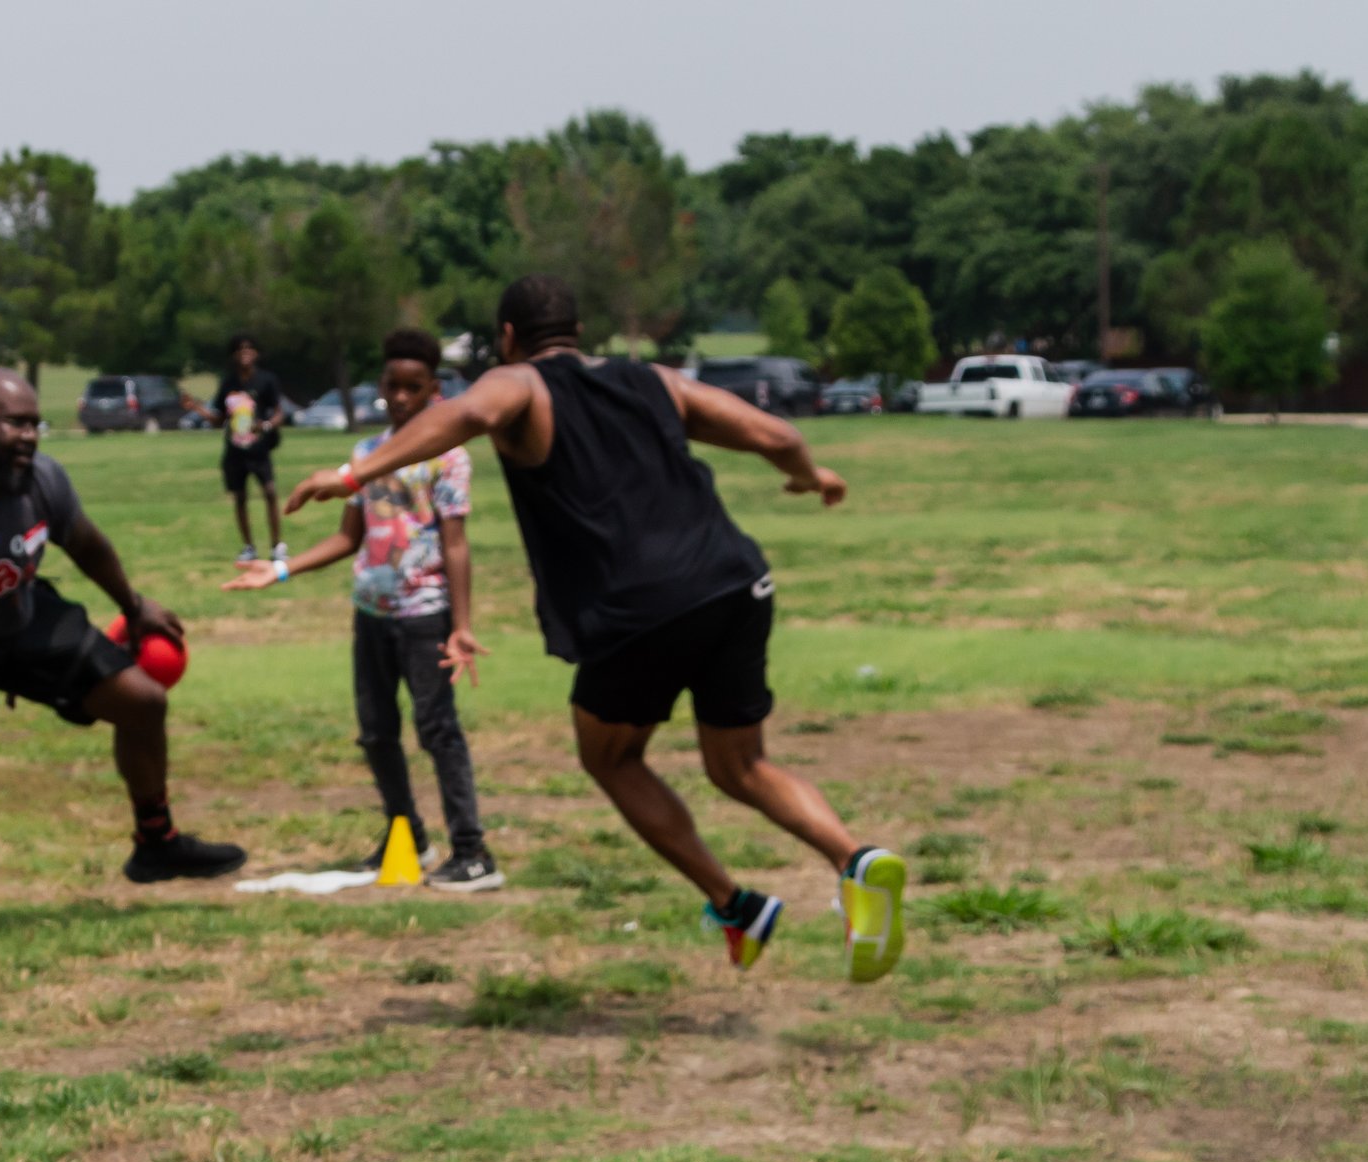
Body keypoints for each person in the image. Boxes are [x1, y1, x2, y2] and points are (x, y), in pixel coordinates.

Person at [283, 275, 905, 982]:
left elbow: (463, 415)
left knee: (609, 756)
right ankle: (857, 863)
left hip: (641, 605)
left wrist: (356, 472)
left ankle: (734, 905)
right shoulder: (654, 381)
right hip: (735, 581)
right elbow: (776, 433)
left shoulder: (520, 385)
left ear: (509, 337)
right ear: (578, 332)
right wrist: (809, 475)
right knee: (741, 765)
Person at [0, 368, 246, 968]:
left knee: (143, 701)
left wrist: (134, 609)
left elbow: (85, 543)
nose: (31, 437)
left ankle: (155, 843)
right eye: (17, 424)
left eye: (36, 423)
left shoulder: (41, 481)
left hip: (20, 615)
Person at [224, 328, 502, 891]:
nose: (400, 397)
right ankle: (407, 835)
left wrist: (462, 625)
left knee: (436, 729)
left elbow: (455, 543)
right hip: (371, 611)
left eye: (413, 387)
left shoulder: (449, 458)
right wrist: (280, 568)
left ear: (433, 391)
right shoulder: (366, 454)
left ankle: (472, 851)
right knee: (376, 732)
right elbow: (350, 538)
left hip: (424, 614)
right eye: (392, 386)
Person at [200, 334, 289, 565]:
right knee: (240, 498)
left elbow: (280, 413)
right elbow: (219, 419)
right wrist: (197, 409)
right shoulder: (228, 383)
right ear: (233, 354)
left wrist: (267, 425)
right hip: (235, 451)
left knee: (270, 493)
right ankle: (249, 547)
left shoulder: (266, 380)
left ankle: (276, 545)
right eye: (240, 349)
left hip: (259, 449)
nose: (245, 352)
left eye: (249, 348)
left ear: (257, 353)